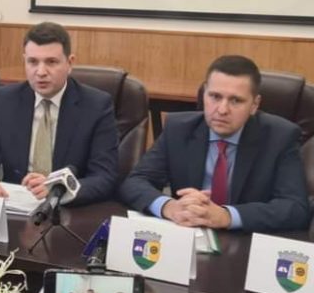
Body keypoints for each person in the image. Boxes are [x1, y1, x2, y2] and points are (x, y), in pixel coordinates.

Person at [119, 55, 310, 232]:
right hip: (189, 234)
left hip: (245, 240)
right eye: (215, 97)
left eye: (236, 100)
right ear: (204, 94)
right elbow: (135, 182)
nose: (222, 110)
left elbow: (295, 207)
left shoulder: (280, 137)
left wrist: (226, 216)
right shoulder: (179, 129)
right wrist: (169, 207)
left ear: (254, 105)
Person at [0, 22, 118, 204]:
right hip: (15, 204)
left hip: (68, 209)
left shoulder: (96, 106)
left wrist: (59, 189)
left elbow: (104, 177)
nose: (40, 72)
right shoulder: (6, 99)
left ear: (70, 63)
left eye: (51, 62)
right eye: (33, 62)